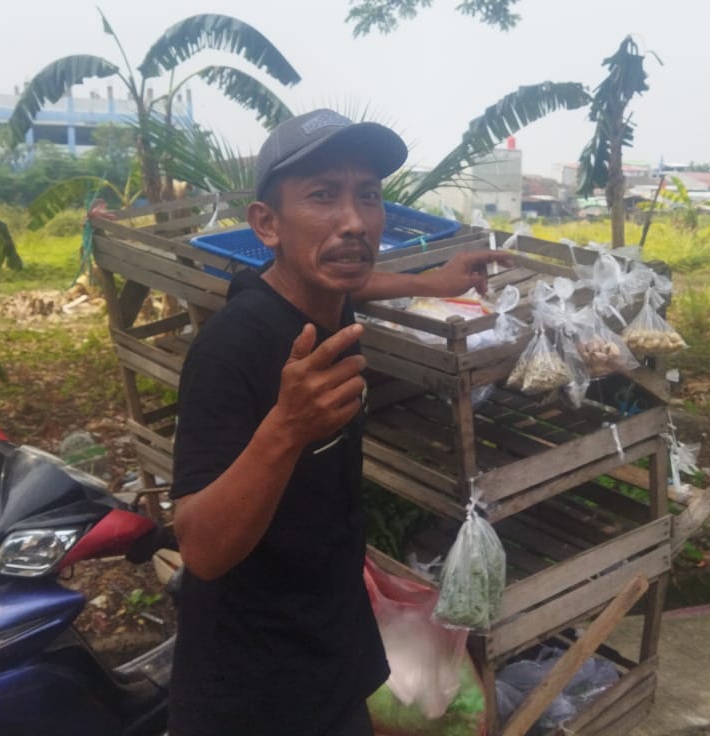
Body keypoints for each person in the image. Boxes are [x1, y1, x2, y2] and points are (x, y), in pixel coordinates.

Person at [166, 109, 513, 736]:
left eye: (369, 197)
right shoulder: (234, 348)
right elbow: (201, 548)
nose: (353, 221)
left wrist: (432, 279)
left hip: (330, 653)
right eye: (322, 196)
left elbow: (358, 282)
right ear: (266, 224)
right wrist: (286, 429)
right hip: (256, 692)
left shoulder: (324, 299)